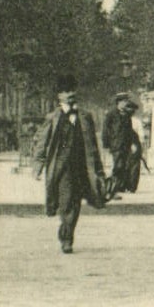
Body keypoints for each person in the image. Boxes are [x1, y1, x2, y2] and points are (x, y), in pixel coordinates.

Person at [33, 75, 107, 253]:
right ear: (59, 96)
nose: (70, 94)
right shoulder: (53, 117)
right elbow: (42, 143)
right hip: (61, 167)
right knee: (66, 201)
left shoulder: (85, 117)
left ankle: (67, 232)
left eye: (72, 90)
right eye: (66, 91)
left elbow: (93, 146)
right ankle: (66, 238)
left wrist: (98, 169)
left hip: (81, 166)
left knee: (76, 203)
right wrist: (38, 166)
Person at [102, 93, 140, 198]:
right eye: (124, 101)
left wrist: (132, 143)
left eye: (126, 101)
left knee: (124, 165)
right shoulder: (111, 114)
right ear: (118, 102)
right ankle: (113, 187)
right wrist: (106, 145)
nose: (126, 103)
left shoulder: (127, 115)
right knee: (118, 165)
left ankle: (120, 186)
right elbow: (105, 130)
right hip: (116, 145)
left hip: (126, 145)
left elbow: (129, 131)